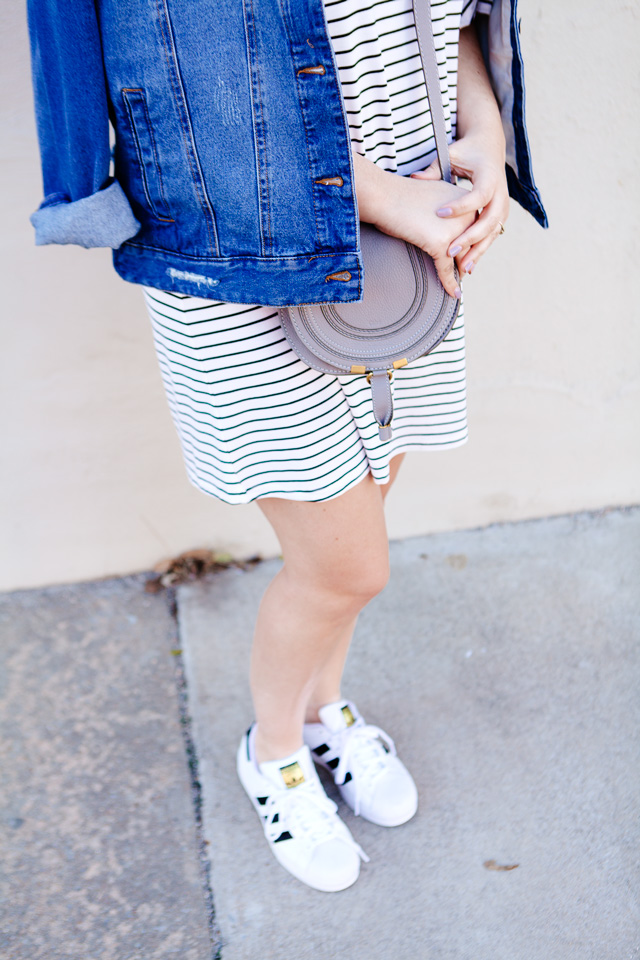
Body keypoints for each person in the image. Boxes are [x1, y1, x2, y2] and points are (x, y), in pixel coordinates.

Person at [27, 0, 547, 892]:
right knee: (346, 568)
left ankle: (320, 713)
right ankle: (272, 751)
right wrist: (385, 198)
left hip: (414, 241)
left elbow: (459, 20)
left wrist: (487, 134)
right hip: (247, 249)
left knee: (366, 508)